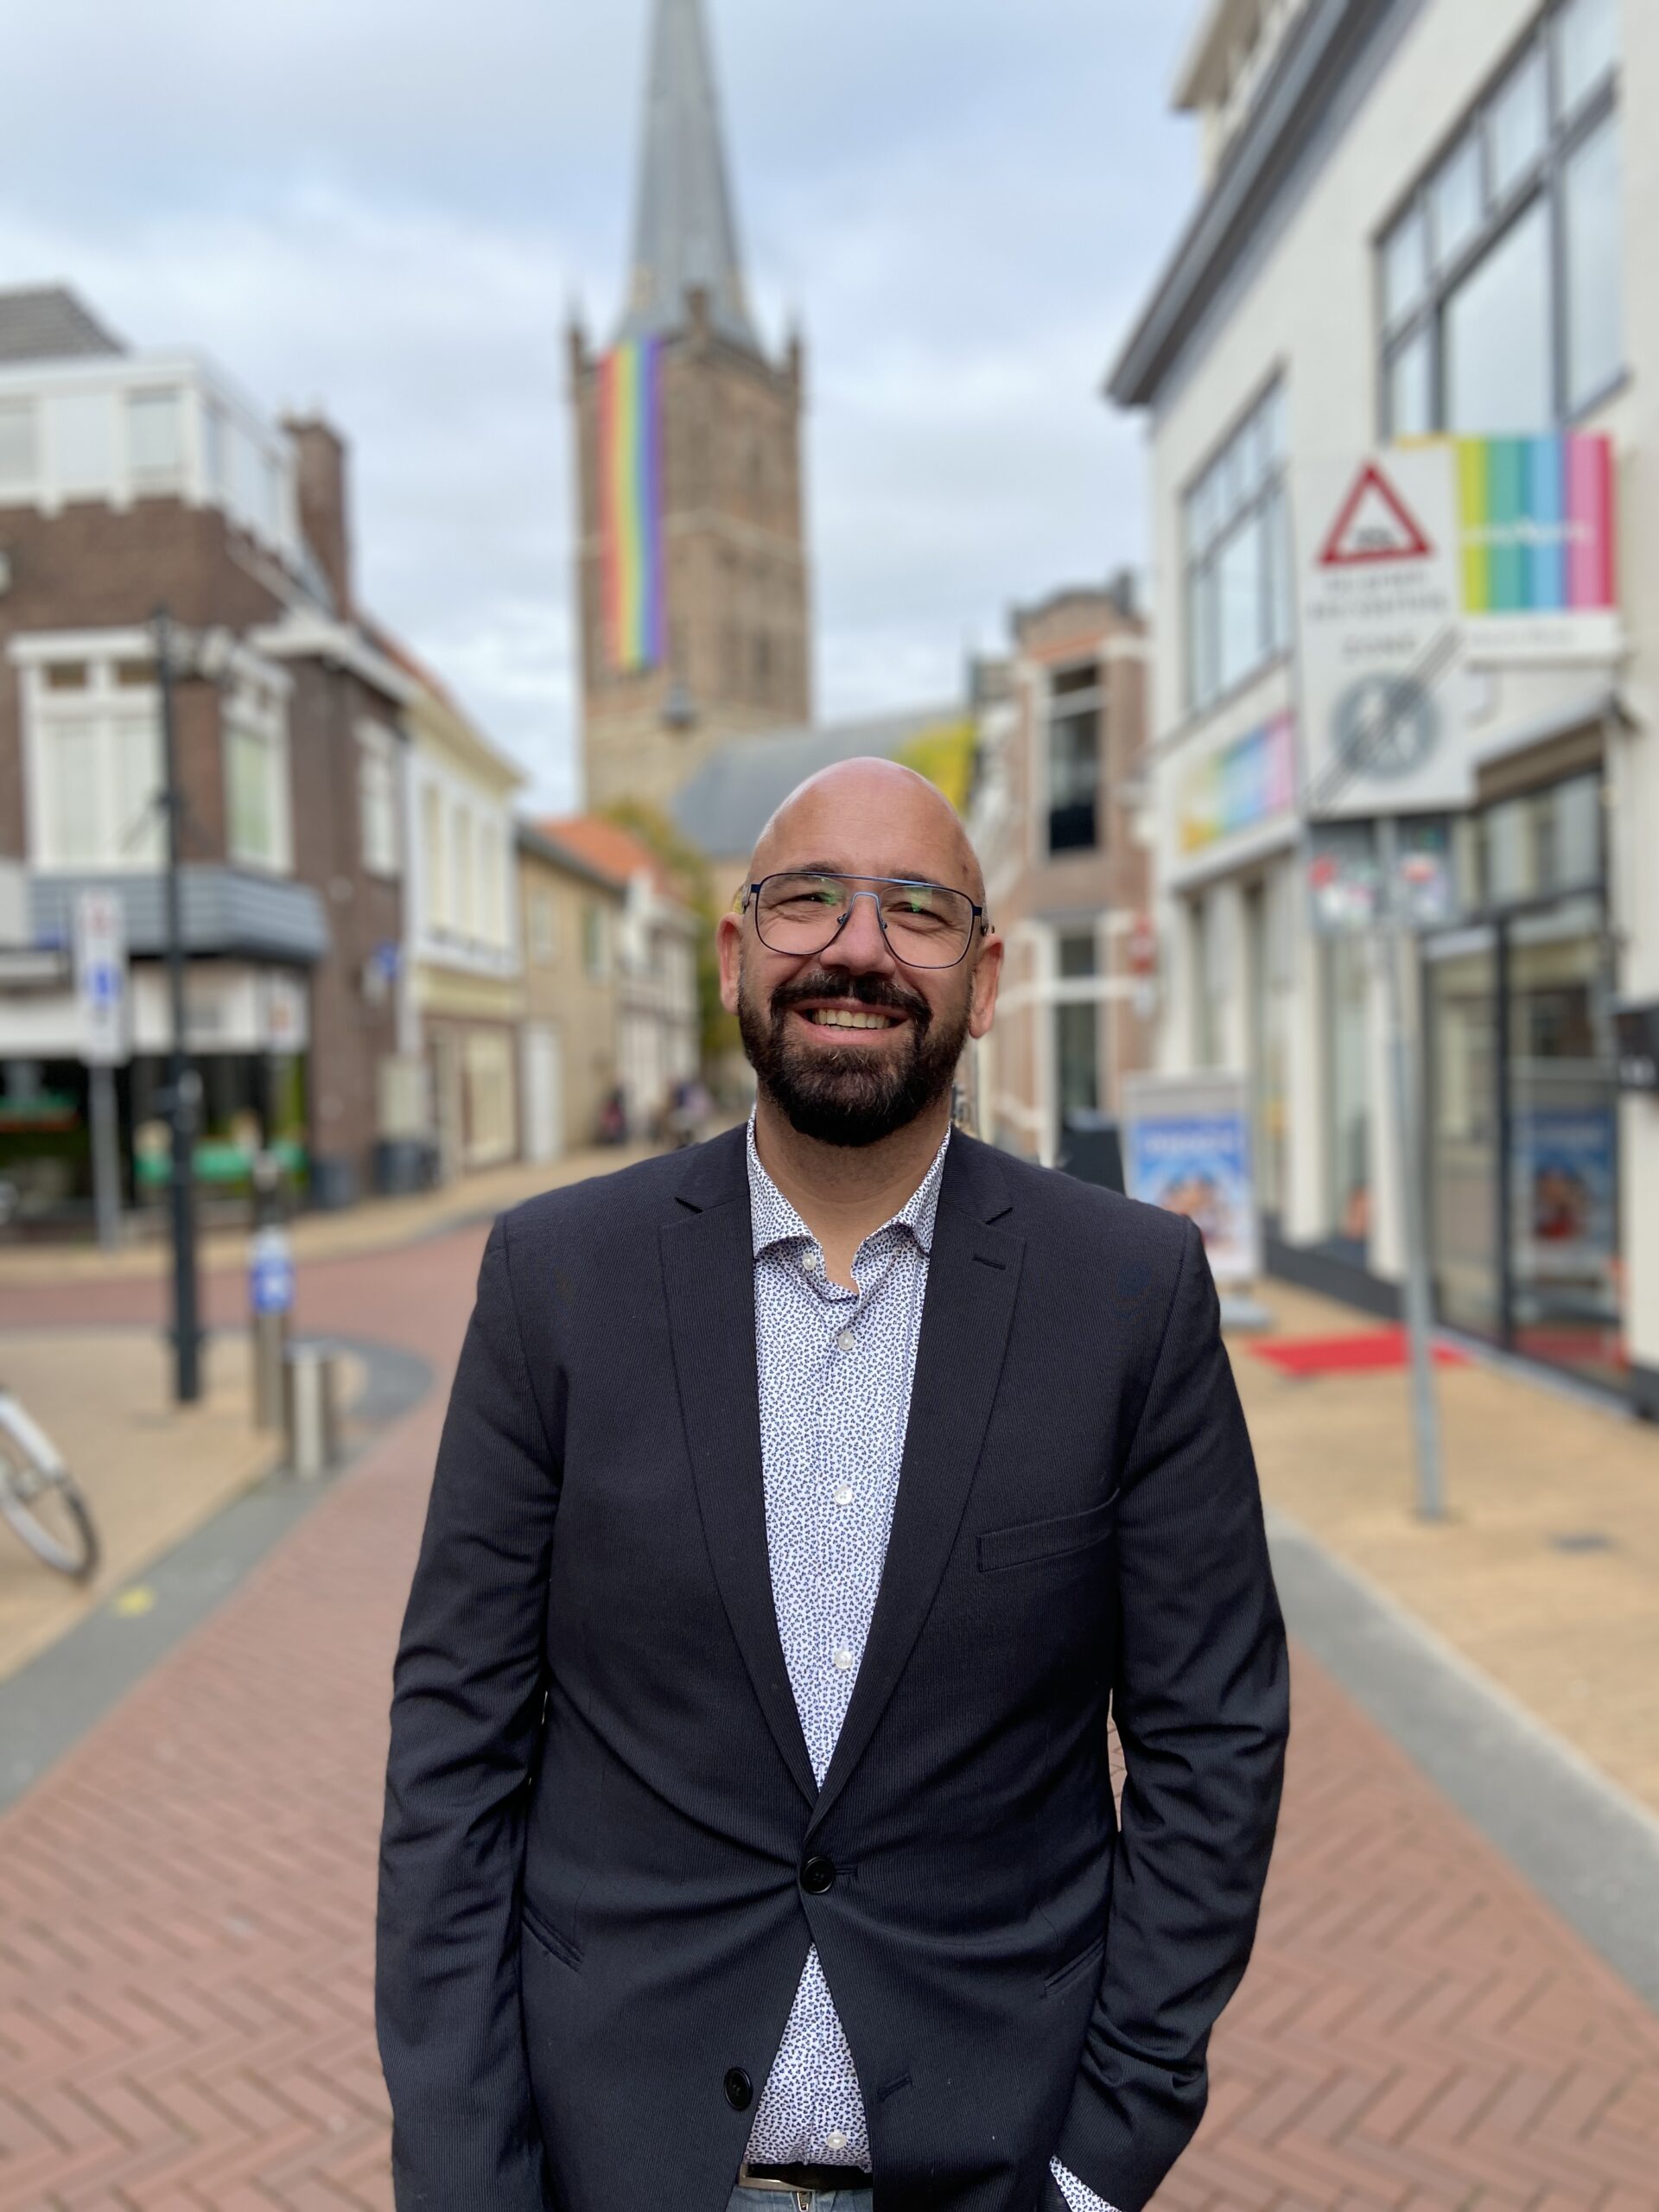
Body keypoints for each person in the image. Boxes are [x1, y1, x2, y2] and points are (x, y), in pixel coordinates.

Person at [377, 759, 1288, 2212]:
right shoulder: (555, 1279)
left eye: (916, 910)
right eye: (807, 900)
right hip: (618, 2165)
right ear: (735, 956)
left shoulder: (1130, 1294)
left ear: (983, 982)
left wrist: (1102, 2162)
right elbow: (455, 1750)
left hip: (1000, 2170)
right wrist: (468, 2172)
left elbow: (1213, 1741)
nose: (856, 948)